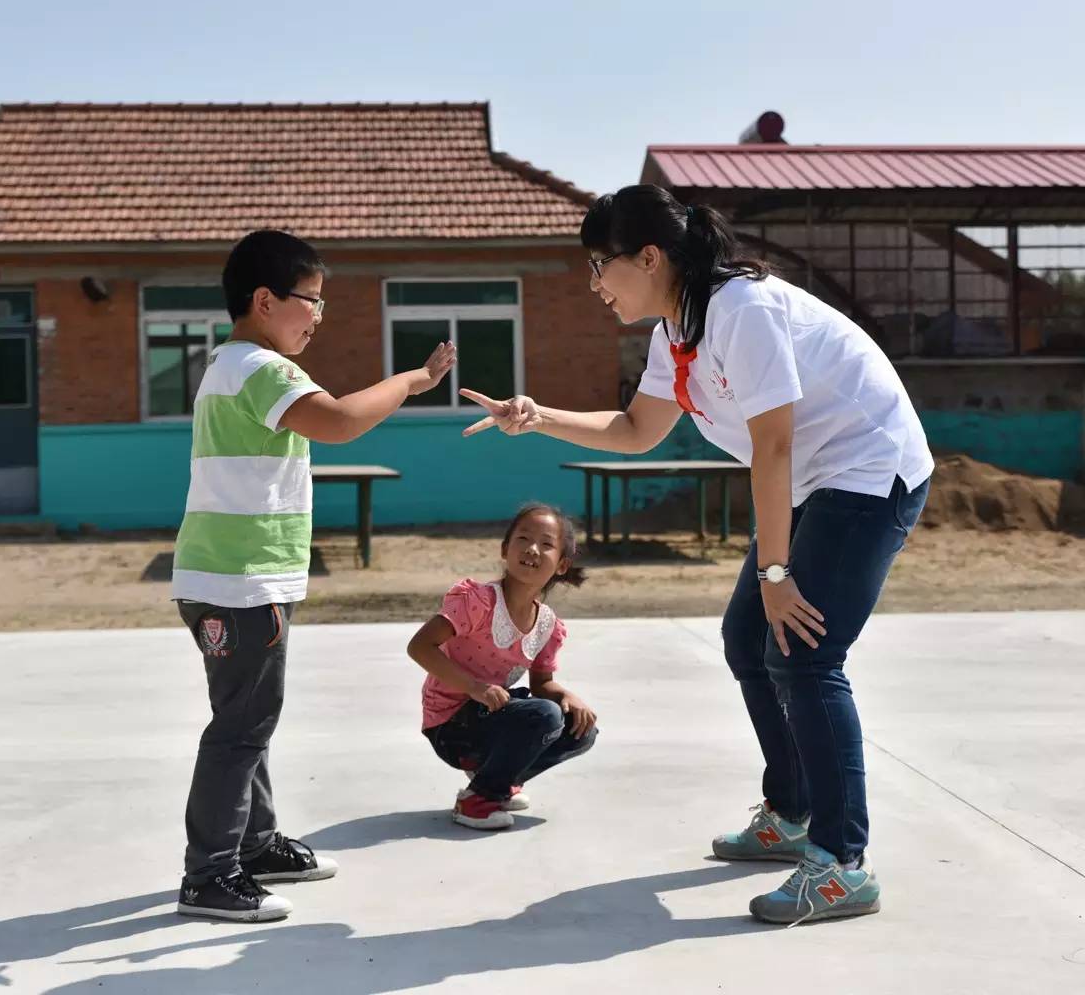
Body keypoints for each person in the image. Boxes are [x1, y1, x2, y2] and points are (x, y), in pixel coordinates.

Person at [462, 185, 932, 926]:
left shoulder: (742, 310)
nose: (594, 285)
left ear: (649, 258)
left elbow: (771, 443)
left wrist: (776, 573)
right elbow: (634, 430)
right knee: (748, 639)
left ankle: (843, 864)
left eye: (599, 266)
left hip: (868, 472)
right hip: (813, 477)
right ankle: (793, 811)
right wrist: (538, 415)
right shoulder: (676, 330)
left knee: (805, 653)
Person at [171, 229, 456, 922]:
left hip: (224, 575)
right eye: (311, 300)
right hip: (242, 581)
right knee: (241, 727)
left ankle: (255, 842)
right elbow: (338, 422)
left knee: (247, 720)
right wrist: (415, 380)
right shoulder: (262, 369)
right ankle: (209, 875)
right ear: (265, 301)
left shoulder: (229, 365)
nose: (318, 316)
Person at [407, 503, 598, 830]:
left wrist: (569, 696)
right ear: (505, 550)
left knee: (580, 729)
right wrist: (473, 687)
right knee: (544, 715)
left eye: (547, 544)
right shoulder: (478, 602)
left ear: (562, 565)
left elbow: (542, 686)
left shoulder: (547, 626)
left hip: (490, 717)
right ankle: (477, 801)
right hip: (451, 725)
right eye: (523, 538)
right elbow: (420, 646)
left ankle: (495, 780)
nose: (533, 549)